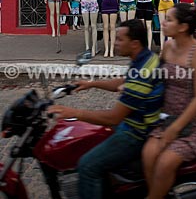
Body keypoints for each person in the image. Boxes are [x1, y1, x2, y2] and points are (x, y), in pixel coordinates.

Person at [48, 19, 164, 199]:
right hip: (137, 125)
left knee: (87, 165)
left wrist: (74, 113)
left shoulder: (143, 71)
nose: (115, 43)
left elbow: (113, 118)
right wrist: (92, 84)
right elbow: (123, 82)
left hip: (135, 133)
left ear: (134, 43)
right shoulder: (146, 59)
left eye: (119, 39)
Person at [142, 3, 196, 199]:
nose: (163, 23)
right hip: (168, 118)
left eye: (169, 19)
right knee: (148, 154)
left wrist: (175, 128)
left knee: (165, 163)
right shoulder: (168, 46)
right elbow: (157, 76)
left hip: (194, 124)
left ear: (182, 27)